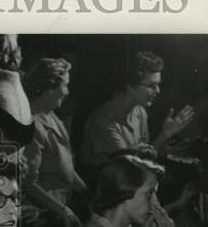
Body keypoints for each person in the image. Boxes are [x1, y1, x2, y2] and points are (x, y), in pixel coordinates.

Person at [78, 51, 195, 182]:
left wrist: (160, 152)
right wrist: (165, 134)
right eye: (152, 85)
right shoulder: (103, 120)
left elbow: (144, 157)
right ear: (130, 87)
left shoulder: (139, 112)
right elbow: (130, 168)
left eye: (158, 85)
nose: (158, 91)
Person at [22, 57, 88, 227]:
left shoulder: (51, 115)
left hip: (62, 206)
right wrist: (62, 210)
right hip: (46, 214)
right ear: (49, 88)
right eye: (64, 85)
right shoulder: (31, 125)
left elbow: (65, 165)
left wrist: (88, 193)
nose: (67, 92)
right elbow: (29, 185)